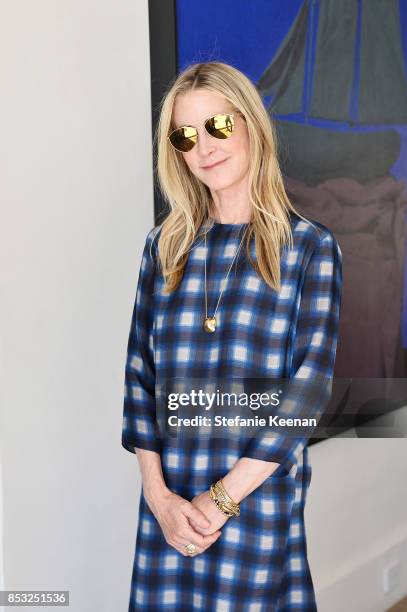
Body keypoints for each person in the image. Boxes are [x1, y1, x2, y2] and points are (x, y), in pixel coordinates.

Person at [121, 61, 342, 611]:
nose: (204, 148)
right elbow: (138, 378)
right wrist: (160, 498)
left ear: (250, 125)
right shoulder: (164, 247)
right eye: (186, 135)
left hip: (254, 509)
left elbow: (306, 394)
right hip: (170, 515)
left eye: (218, 125)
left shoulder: (309, 248)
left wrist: (219, 502)